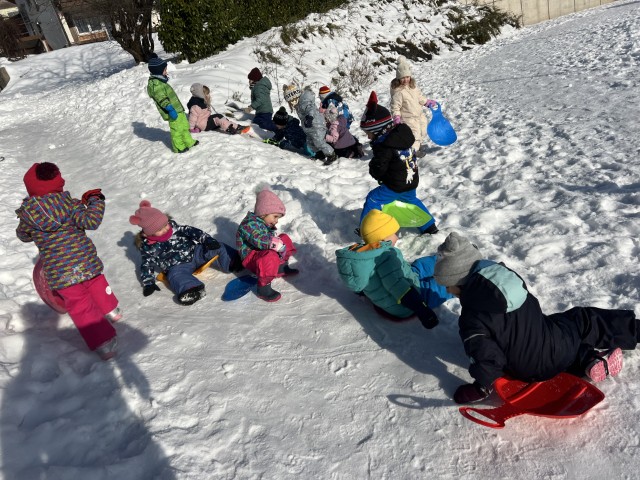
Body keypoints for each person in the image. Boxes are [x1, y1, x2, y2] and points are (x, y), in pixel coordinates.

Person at [433, 232, 639, 404]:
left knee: (558, 334)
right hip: (553, 347)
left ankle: (589, 360)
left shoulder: (472, 318)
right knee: (581, 320)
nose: (448, 291)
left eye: (448, 285)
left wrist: (480, 388)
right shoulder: (509, 281)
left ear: (460, 281)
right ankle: (624, 336)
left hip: (525, 370)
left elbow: (486, 357)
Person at [16, 162, 121, 360]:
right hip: (85, 261)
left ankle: (105, 344)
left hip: (59, 271)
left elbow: (23, 235)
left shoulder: (28, 215)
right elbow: (91, 221)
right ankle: (111, 310)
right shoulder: (71, 205)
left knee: (80, 305)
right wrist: (96, 200)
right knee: (96, 284)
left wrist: (31, 228)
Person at [336, 209, 452, 325]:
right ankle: (459, 281)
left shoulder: (363, 257)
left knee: (420, 264)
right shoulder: (386, 257)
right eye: (394, 234)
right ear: (382, 239)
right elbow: (399, 287)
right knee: (443, 286)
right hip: (408, 303)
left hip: (401, 285)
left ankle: (447, 260)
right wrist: (422, 309)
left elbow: (363, 284)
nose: (397, 237)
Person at [129, 200, 241, 306]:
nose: (165, 229)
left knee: (217, 246)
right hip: (177, 266)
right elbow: (146, 264)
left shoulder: (176, 229)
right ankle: (191, 289)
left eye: (165, 224)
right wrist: (148, 283)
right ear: (149, 233)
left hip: (195, 253)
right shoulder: (148, 247)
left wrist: (207, 240)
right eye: (159, 230)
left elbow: (194, 232)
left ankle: (233, 261)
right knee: (175, 276)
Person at [358, 90, 438, 235]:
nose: (368, 137)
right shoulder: (401, 136)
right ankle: (429, 226)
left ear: (378, 130)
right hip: (411, 179)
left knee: (373, 199)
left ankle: (367, 229)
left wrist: (374, 169)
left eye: (369, 133)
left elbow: (379, 168)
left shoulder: (384, 146)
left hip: (394, 184)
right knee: (411, 200)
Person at [236, 186, 298, 302]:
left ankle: (281, 268)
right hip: (251, 259)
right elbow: (257, 239)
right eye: (275, 216)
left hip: (262, 253)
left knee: (284, 238)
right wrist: (274, 244)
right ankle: (263, 287)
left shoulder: (263, 223)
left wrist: (277, 242)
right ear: (264, 213)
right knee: (270, 256)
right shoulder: (248, 225)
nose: (276, 221)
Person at [146, 56, 199, 153]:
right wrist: (170, 109)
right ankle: (178, 147)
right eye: (164, 70)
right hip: (172, 111)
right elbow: (161, 98)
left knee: (184, 126)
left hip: (177, 109)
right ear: (158, 71)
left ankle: (188, 141)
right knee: (177, 130)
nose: (166, 72)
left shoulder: (161, 81)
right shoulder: (156, 85)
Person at [390, 55, 437, 152]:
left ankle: (418, 146)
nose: (405, 80)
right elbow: (395, 107)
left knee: (423, 132)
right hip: (408, 119)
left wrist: (426, 102)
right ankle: (412, 152)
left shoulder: (413, 87)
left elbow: (419, 97)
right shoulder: (398, 92)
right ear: (398, 79)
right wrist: (396, 117)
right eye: (402, 78)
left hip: (419, 115)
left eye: (407, 77)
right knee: (414, 136)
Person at [283, 84, 337, 165]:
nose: (291, 103)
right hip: (309, 126)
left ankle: (331, 155)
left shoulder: (304, 102)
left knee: (319, 141)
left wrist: (309, 117)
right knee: (310, 142)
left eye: (291, 100)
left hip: (316, 124)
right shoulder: (299, 103)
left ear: (294, 97)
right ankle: (320, 154)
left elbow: (310, 109)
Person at [243, 67, 277, 132]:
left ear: (255, 80)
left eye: (250, 79)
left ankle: (278, 128)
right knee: (256, 123)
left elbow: (260, 99)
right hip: (262, 111)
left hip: (264, 112)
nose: (249, 81)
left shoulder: (258, 87)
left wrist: (250, 108)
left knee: (263, 125)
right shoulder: (258, 86)